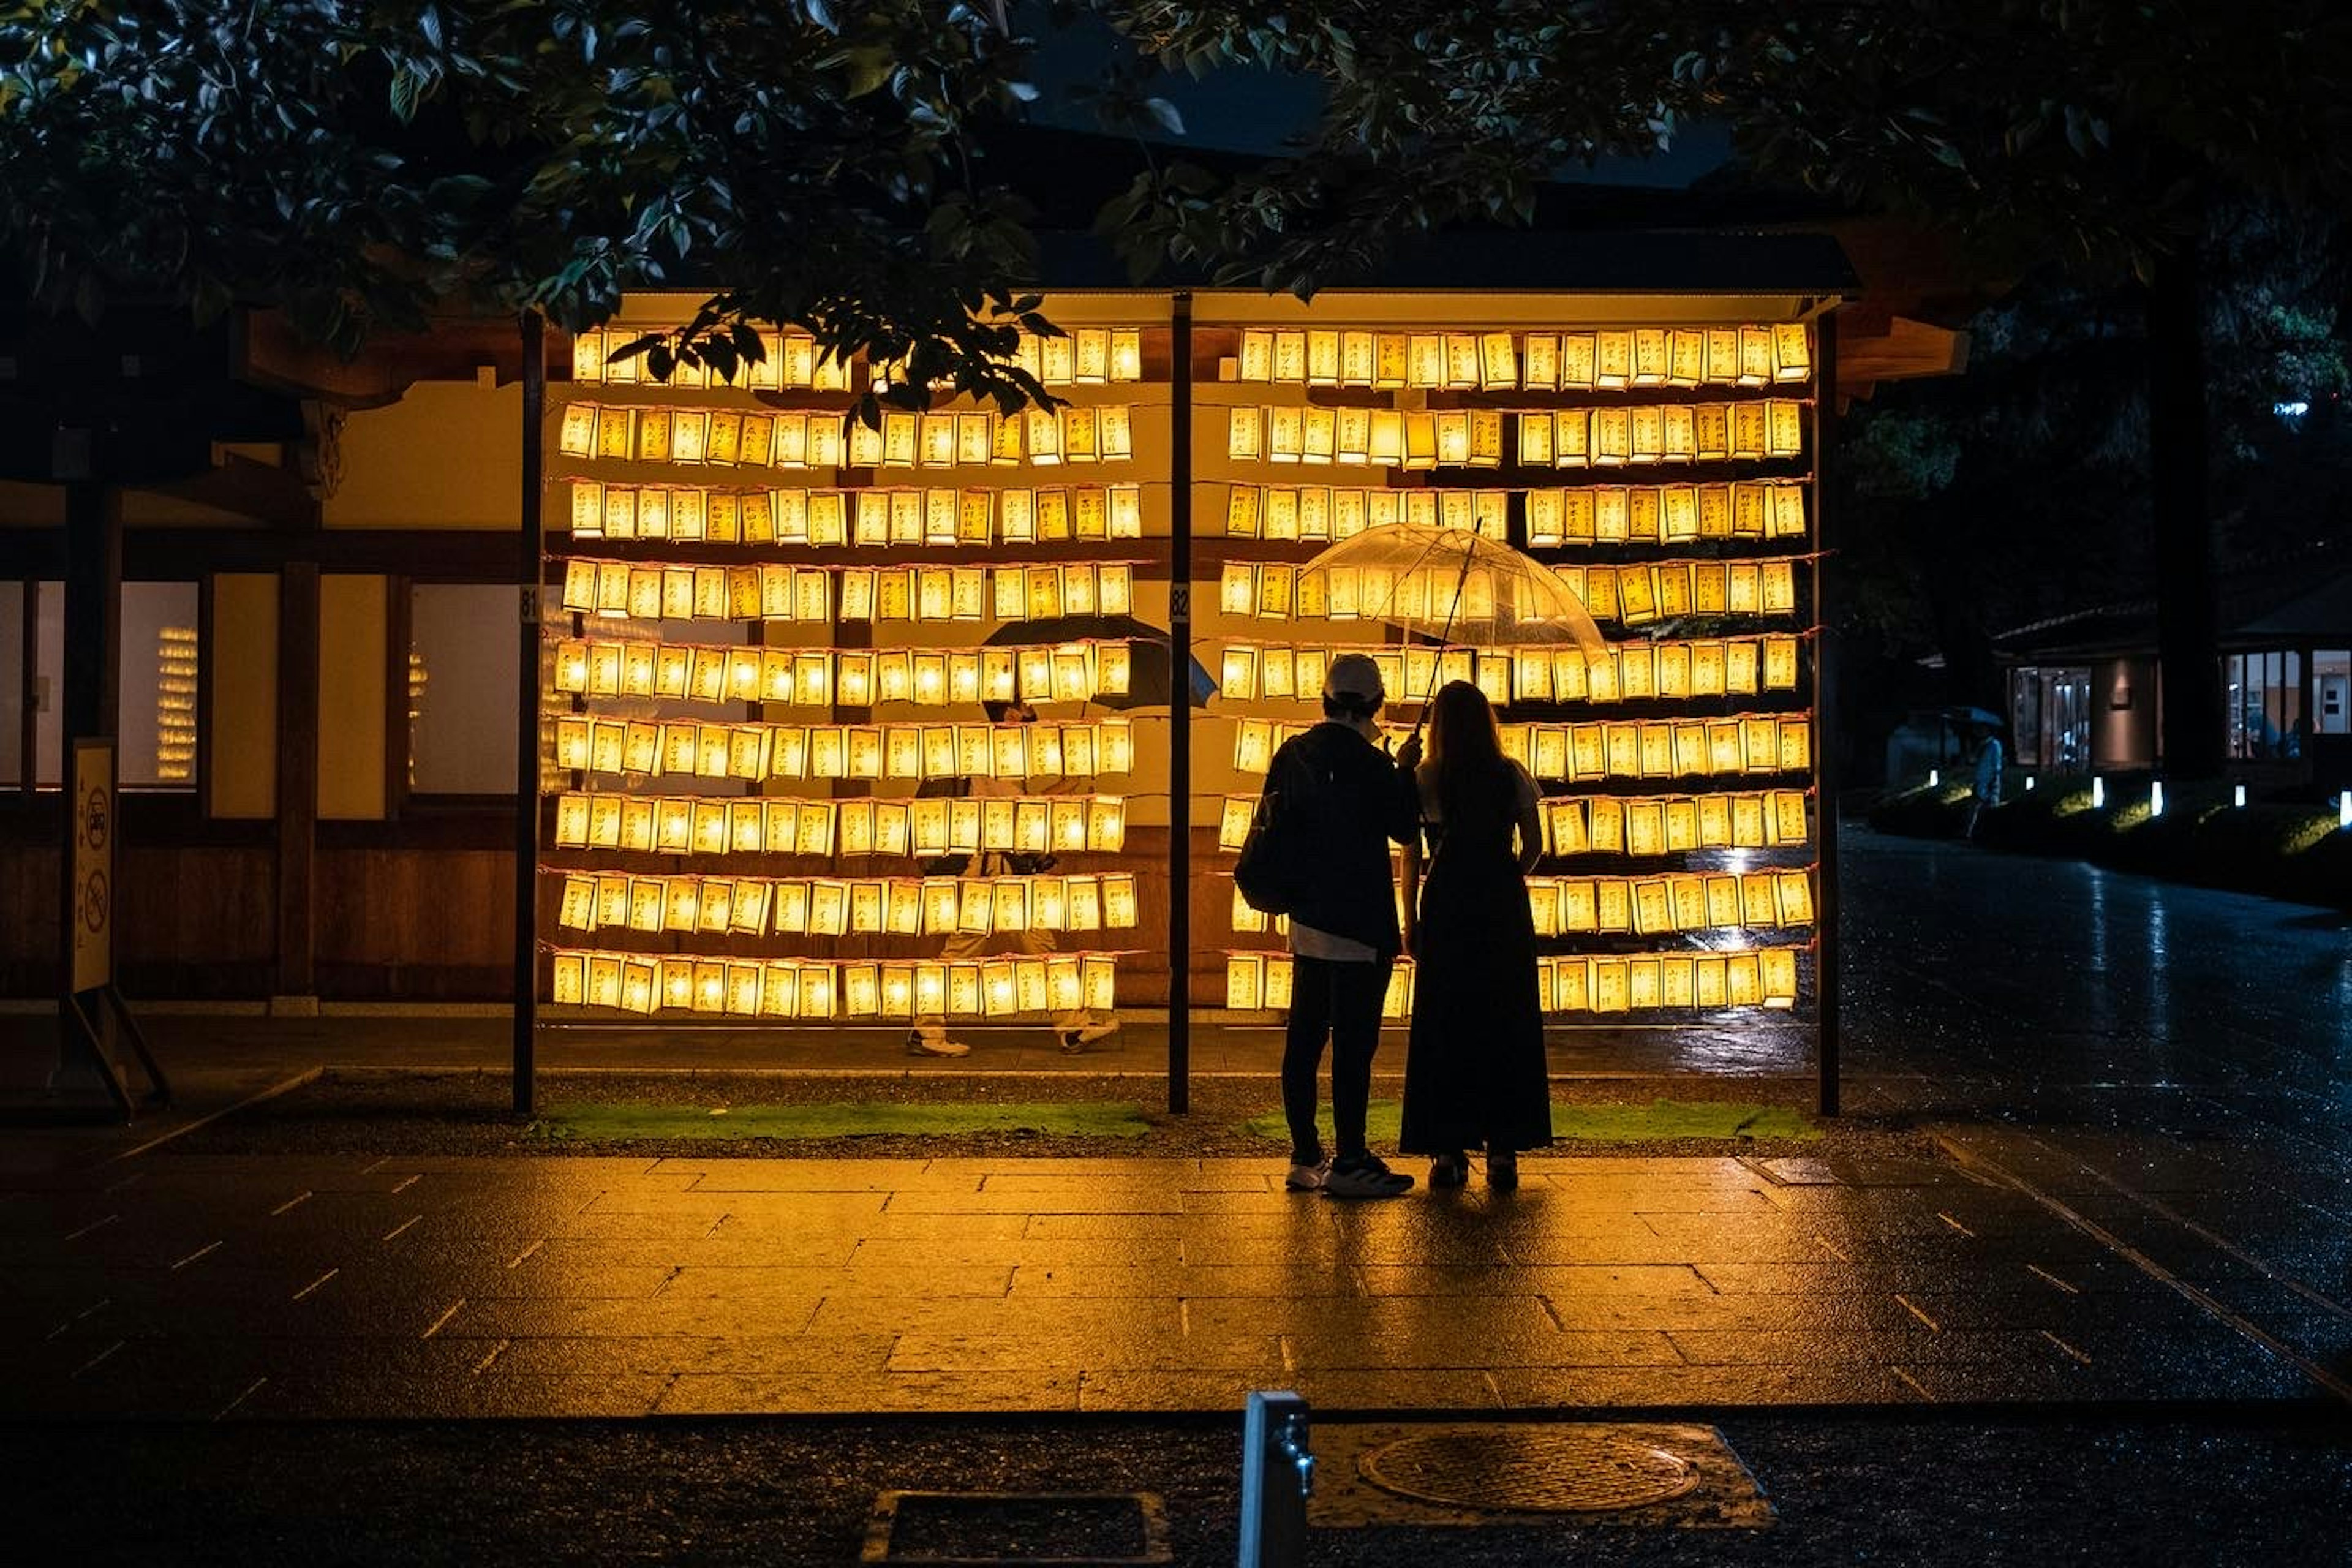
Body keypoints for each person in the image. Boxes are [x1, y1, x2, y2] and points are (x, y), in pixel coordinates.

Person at [1264, 652, 1423, 1199]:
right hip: (1360, 925)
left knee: (1304, 1041)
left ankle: (1305, 1153)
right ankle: (1351, 1156)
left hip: (1306, 919)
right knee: (1354, 1049)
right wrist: (1404, 769)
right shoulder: (1374, 765)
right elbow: (1405, 829)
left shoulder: (1293, 755)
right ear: (1376, 705)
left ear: (1324, 699)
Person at [1398, 680, 1551, 1190]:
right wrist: (1509, 877)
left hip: (1447, 904)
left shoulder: (1427, 778)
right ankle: (1504, 1149)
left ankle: (1447, 1150)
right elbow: (1534, 844)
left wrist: (1411, 918)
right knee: (1505, 1018)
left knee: (1446, 1020)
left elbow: (1412, 855)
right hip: (1501, 904)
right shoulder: (1510, 775)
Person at [907, 699, 1121, 1057]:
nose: (1034, 716)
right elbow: (1022, 812)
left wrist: (1069, 783)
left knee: (1035, 947)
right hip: (987, 874)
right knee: (968, 954)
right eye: (1028, 708)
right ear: (1010, 714)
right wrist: (1068, 788)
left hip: (995, 873)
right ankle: (925, 1030)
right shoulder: (993, 754)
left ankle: (1072, 1025)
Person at [1967, 730, 2005, 839]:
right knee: (1976, 807)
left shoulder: (1994, 745)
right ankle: (1972, 832)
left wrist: (1994, 781)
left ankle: (1986, 833)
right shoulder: (1983, 745)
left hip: (1989, 781)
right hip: (1981, 781)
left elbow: (1996, 766)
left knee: (1988, 807)